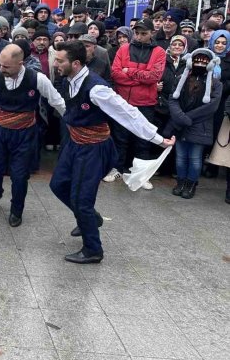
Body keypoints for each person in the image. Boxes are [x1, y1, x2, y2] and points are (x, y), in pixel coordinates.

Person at [50, 41, 174, 264]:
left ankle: (93, 250)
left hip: (94, 148)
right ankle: (90, 218)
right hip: (75, 143)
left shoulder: (97, 89)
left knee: (81, 199)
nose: (55, 64)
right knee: (58, 184)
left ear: (75, 63)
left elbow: (128, 114)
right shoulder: (68, 79)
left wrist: (157, 139)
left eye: (60, 60)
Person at [0, 44, 66, 227]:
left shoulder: (38, 78)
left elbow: (57, 101)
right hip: (0, 131)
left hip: (25, 134)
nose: (2, 69)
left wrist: (74, 121)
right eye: (1, 64)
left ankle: (16, 210)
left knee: (19, 175)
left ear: (20, 63)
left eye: (6, 66)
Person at [108, 18, 166, 186]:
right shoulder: (124, 48)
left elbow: (154, 77)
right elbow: (116, 74)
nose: (139, 36)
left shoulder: (159, 52)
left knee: (143, 139)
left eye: (144, 33)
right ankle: (117, 169)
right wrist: (140, 77)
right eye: (137, 33)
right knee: (120, 137)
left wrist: (130, 72)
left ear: (152, 33)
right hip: (124, 101)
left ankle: (142, 175)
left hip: (145, 102)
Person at [167, 49, 221, 199]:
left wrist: (187, 117)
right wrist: (180, 117)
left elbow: (212, 106)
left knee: (196, 159)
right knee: (180, 157)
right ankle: (180, 182)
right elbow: (173, 99)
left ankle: (191, 184)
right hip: (181, 124)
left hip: (200, 126)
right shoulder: (180, 79)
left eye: (205, 60)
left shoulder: (216, 84)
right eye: (198, 59)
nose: (201, 63)